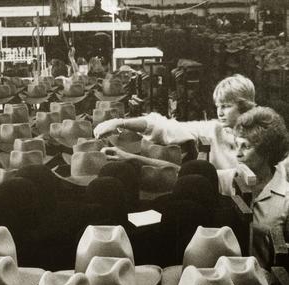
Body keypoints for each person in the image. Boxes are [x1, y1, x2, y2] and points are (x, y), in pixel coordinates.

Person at [94, 74, 257, 195]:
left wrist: (130, 157)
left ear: (245, 106)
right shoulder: (213, 129)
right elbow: (165, 127)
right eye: (218, 106)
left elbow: (220, 179)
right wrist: (120, 122)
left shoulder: (260, 139)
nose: (220, 112)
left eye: (226, 106)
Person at [233, 106, 289, 268]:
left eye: (246, 146)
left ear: (267, 152)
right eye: (236, 145)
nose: (237, 154)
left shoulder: (286, 198)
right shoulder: (229, 180)